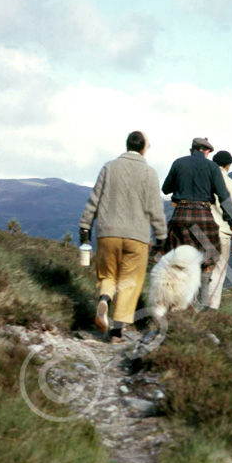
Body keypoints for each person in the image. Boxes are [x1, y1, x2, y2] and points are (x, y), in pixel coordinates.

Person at [79, 131, 167, 342]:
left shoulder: (109, 168)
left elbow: (94, 201)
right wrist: (161, 237)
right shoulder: (149, 173)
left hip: (107, 233)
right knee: (130, 281)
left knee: (107, 275)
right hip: (137, 237)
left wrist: (84, 229)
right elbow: (156, 209)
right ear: (144, 147)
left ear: (127, 145)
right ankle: (117, 330)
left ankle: (104, 299)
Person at [162, 137, 232, 308]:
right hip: (203, 216)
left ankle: (177, 306)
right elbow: (223, 195)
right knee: (208, 261)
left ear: (192, 150)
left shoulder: (179, 163)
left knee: (177, 261)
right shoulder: (212, 167)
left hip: (180, 216)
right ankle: (203, 306)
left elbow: (165, 189)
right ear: (207, 152)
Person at [209, 150, 232, 309]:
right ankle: (209, 311)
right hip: (221, 234)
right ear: (228, 165)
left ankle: (183, 312)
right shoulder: (231, 185)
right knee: (216, 273)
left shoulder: (205, 179)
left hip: (197, 229)